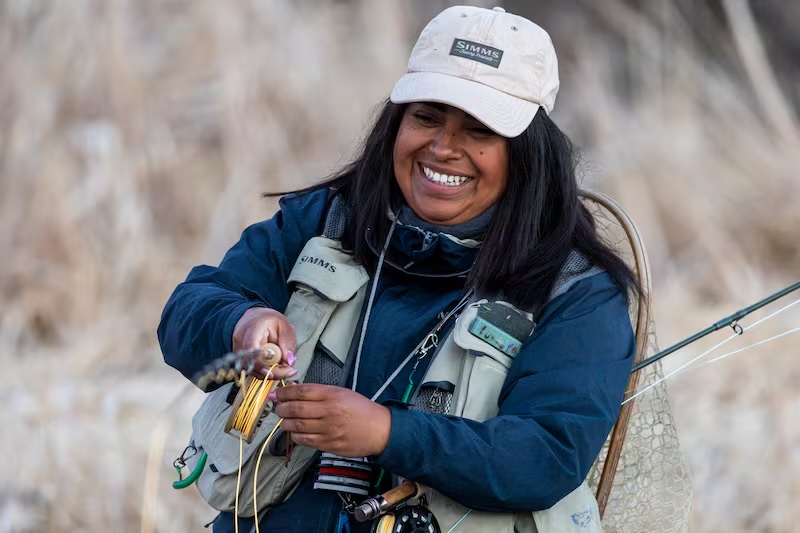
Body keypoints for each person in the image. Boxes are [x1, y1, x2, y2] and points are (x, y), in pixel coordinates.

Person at [158, 5, 638, 533]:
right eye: (426, 117)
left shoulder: (579, 291)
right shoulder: (322, 219)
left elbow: (548, 454)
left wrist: (388, 433)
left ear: (527, 152)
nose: (443, 148)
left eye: (479, 130)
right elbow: (187, 311)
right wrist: (240, 324)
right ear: (397, 122)